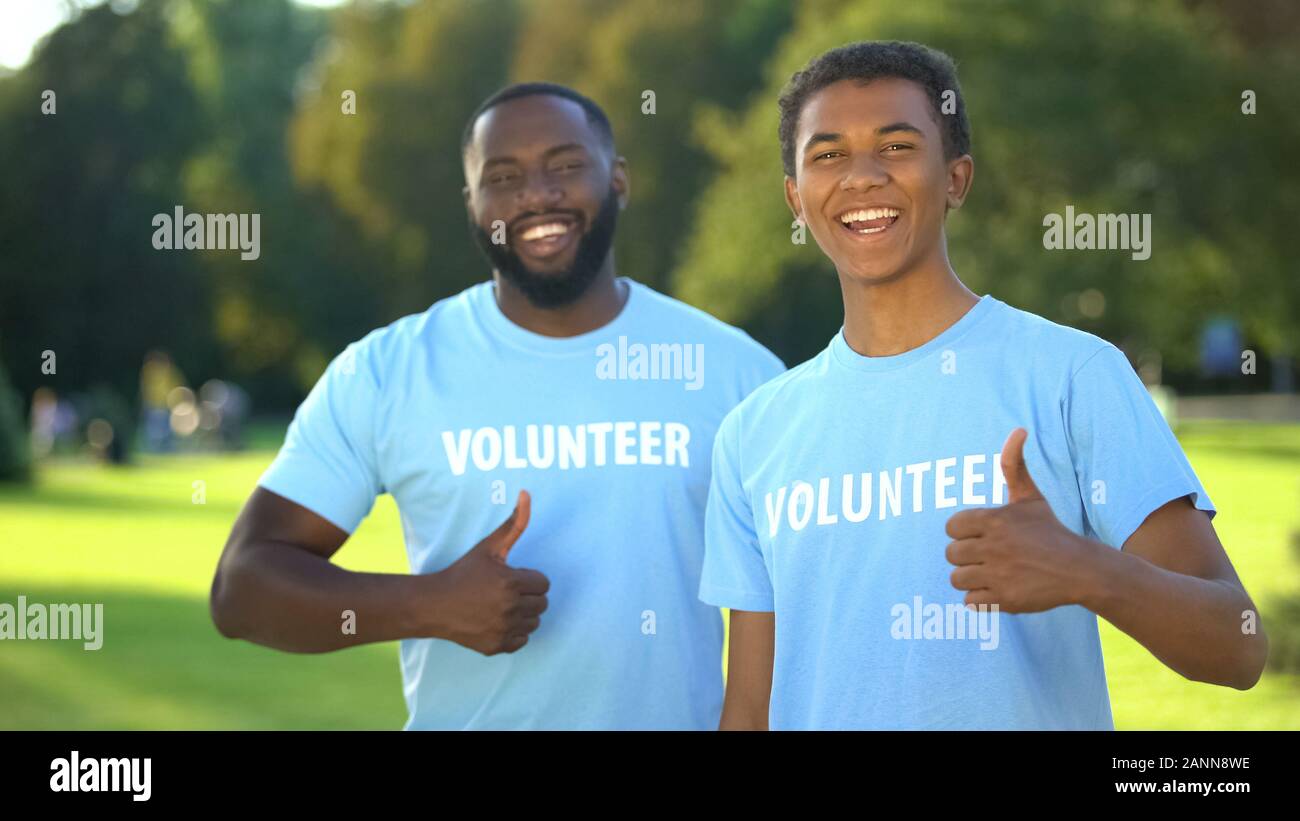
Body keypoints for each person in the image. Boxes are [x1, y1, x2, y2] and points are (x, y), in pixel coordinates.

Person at [701, 41, 1267, 730]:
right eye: (827, 155)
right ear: (796, 197)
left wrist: (1087, 569)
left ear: (956, 178)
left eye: (898, 146)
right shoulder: (754, 432)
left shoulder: (1072, 375)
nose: (862, 177)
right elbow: (752, 709)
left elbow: (1240, 648)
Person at [209, 82, 784, 729]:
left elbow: (807, 602)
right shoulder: (387, 371)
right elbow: (243, 588)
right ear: (473, 203)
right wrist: (428, 603)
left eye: (566, 166)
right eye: (503, 176)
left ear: (618, 179)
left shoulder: (738, 374)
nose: (537, 194)